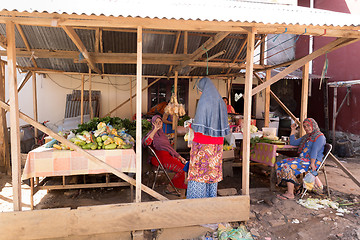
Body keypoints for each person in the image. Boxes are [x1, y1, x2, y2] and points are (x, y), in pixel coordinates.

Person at [186, 77, 230, 199]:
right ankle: (211, 201)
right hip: (217, 146)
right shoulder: (221, 102)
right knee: (211, 173)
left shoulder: (204, 101)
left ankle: (197, 202)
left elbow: (200, 127)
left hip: (202, 145)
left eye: (200, 89)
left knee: (199, 174)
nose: (200, 92)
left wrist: (190, 125)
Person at [276, 118, 326, 200]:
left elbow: (314, 151)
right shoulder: (307, 137)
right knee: (279, 163)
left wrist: (312, 164)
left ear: (313, 125)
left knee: (287, 166)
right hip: (303, 160)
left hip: (313, 161)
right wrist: (293, 130)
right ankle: (297, 187)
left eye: (308, 126)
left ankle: (290, 193)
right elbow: (293, 143)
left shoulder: (320, 137)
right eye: (305, 127)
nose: (307, 128)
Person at [142, 115, 187, 192]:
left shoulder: (163, 135)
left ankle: (174, 185)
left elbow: (169, 148)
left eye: (160, 122)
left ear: (162, 123)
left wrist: (179, 157)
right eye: (156, 122)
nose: (159, 124)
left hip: (166, 156)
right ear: (153, 123)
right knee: (182, 169)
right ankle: (171, 186)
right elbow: (146, 143)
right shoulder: (151, 133)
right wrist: (155, 130)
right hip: (158, 158)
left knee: (184, 167)